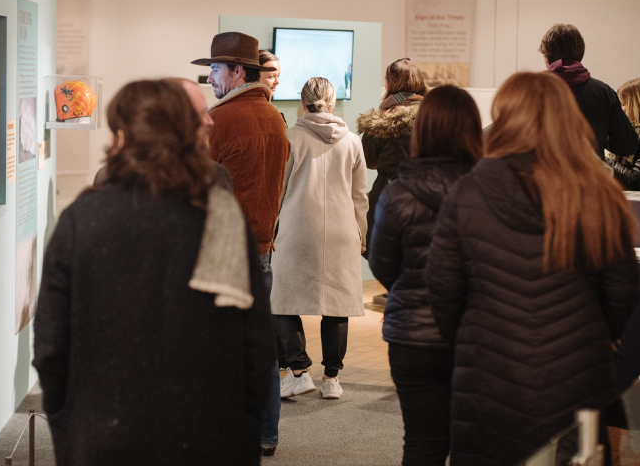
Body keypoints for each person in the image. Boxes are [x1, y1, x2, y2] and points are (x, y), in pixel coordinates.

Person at [32, 79, 274, 466]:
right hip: (212, 433)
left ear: (123, 135)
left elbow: (50, 345)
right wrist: (242, 421)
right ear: (186, 132)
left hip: (103, 432)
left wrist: (69, 422)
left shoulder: (82, 220)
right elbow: (258, 344)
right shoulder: (222, 217)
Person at [425, 72, 640, 466]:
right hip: (579, 372)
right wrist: (589, 335)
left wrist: (474, 336)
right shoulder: (599, 190)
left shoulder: (468, 191)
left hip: (488, 372)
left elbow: (441, 288)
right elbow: (624, 290)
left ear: (505, 118)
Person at [367, 85, 482, 466]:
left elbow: (382, 264)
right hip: (475, 334)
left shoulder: (398, 192)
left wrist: (411, 289)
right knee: (473, 442)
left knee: (421, 442)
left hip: (411, 337)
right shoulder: (487, 190)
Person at [192, 32, 289, 457]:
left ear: (236, 72)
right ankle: (267, 431)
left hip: (226, 248)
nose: (209, 77)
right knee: (259, 342)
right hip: (263, 244)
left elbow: (198, 188)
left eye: (214, 69)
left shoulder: (224, 120)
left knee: (217, 348)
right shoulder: (273, 117)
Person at [272, 77, 369, 400]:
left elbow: (278, 191)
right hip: (342, 231)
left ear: (302, 102)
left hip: (298, 229)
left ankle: (299, 371)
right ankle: (331, 379)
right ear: (333, 101)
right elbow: (360, 195)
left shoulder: (291, 138)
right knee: (336, 305)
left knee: (282, 301)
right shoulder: (352, 141)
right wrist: (362, 232)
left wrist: (270, 228)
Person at [92, 77, 232, 192]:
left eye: (205, 112)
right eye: (198, 114)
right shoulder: (107, 177)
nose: (210, 122)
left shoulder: (214, 175)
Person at [541, 23, 637, 160]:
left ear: (548, 57)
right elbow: (627, 145)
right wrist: (600, 137)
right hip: (590, 177)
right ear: (580, 54)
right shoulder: (604, 92)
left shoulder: (532, 92)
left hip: (545, 178)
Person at [357, 58, 426, 243]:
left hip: (388, 196)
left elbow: (368, 160)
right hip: (426, 196)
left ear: (391, 84)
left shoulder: (381, 120)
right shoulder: (434, 116)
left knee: (386, 258)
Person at [259, 50, 286, 126]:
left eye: (278, 76)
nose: (277, 81)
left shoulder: (273, 112)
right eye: (271, 77)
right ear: (254, 77)